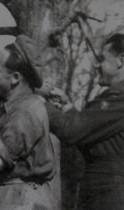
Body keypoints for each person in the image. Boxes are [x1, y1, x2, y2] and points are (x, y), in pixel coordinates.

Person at [0, 34, 56, 210]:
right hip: (15, 196)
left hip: (23, 199)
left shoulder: (26, 112)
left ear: (15, 78)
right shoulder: (13, 108)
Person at [45, 33, 124, 210]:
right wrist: (67, 107)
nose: (97, 65)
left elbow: (72, 131)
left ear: (120, 60)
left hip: (109, 196)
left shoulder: (119, 98)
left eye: (102, 59)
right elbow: (94, 139)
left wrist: (39, 104)